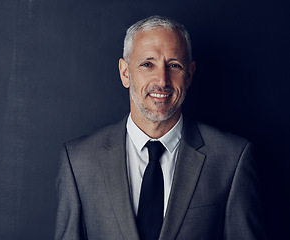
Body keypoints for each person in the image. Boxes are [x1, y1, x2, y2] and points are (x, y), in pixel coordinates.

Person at [55, 15, 266, 240]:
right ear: (125, 73)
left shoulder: (232, 159)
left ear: (190, 74)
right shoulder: (78, 161)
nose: (162, 80)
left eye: (174, 65)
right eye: (148, 64)